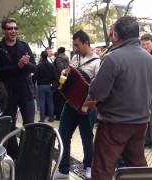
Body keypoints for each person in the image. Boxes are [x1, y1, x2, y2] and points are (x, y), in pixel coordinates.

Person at [88, 16, 152, 180]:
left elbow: (97, 93)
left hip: (114, 123)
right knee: (138, 167)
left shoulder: (113, 58)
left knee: (102, 169)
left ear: (117, 34)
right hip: (140, 123)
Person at [54, 30, 100, 179]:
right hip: (70, 104)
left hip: (86, 106)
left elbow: (98, 85)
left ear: (86, 43)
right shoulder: (75, 58)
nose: (75, 48)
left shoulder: (97, 62)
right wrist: (64, 75)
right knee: (63, 135)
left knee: (87, 137)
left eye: (77, 45)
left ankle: (88, 167)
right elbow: (67, 74)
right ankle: (63, 168)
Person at [0, 18, 36, 159]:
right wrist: (19, 66)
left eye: (15, 28)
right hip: (8, 92)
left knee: (29, 124)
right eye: (10, 28)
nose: (13, 31)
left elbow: (34, 67)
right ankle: (15, 155)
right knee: (8, 125)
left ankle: (27, 154)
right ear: (4, 30)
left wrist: (24, 64)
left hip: (26, 91)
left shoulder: (24, 46)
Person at [33, 51, 57, 122]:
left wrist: (33, 83)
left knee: (42, 102)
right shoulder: (51, 65)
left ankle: (42, 118)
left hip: (41, 86)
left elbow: (35, 76)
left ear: (41, 56)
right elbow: (55, 76)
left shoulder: (39, 66)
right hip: (49, 85)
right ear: (47, 56)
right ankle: (51, 118)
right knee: (50, 102)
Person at [53, 47, 69, 120]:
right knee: (63, 99)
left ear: (59, 51)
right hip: (65, 80)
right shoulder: (67, 58)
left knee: (58, 99)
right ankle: (63, 115)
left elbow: (61, 70)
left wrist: (60, 82)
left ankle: (59, 115)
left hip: (59, 81)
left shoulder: (59, 58)